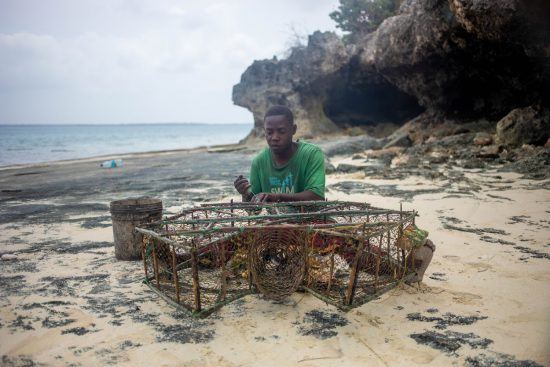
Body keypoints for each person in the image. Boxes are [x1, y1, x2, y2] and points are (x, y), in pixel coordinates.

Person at [234, 105, 325, 203]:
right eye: (269, 132)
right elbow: (253, 210)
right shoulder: (259, 162)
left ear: (293, 130)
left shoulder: (311, 154)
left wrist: (277, 197)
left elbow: (317, 196)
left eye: (281, 131)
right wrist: (245, 193)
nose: (274, 137)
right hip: (276, 218)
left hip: (310, 216)